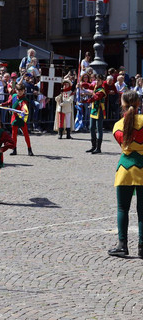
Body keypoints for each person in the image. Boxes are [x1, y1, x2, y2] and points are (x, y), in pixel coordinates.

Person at [108, 91, 143, 258]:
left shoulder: (118, 125)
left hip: (124, 169)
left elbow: (123, 144)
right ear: (139, 104)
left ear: (122, 105)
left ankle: (122, 245)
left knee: (123, 208)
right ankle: (142, 246)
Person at [0, 83, 34, 156]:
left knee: (26, 134)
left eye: (21, 90)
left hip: (21, 118)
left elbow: (24, 107)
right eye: (18, 90)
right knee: (14, 135)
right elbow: (9, 102)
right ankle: (14, 149)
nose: (20, 92)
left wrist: (23, 110)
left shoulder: (24, 100)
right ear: (16, 90)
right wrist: (1, 104)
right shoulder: (14, 96)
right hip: (14, 118)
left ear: (24, 91)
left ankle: (29, 149)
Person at [86, 74, 106, 154]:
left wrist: (86, 100)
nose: (97, 82)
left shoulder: (102, 90)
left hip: (99, 110)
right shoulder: (95, 87)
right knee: (91, 127)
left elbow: (96, 97)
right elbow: (89, 85)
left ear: (102, 81)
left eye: (99, 80)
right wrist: (81, 84)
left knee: (99, 128)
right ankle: (93, 146)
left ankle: (98, 148)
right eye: (96, 80)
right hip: (94, 109)